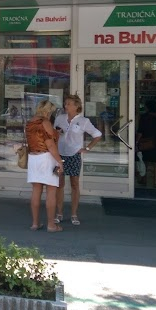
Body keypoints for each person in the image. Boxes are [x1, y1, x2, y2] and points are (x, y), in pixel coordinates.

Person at [54, 94, 102, 226]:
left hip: (74, 155)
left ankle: (74, 214)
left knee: (74, 184)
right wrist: (56, 135)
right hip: (60, 154)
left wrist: (87, 148)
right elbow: (53, 134)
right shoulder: (59, 118)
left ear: (77, 106)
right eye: (65, 103)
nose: (66, 106)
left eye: (69, 104)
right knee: (59, 184)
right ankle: (59, 213)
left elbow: (97, 135)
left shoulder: (83, 121)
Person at [26, 100, 65, 233]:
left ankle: (35, 223)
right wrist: (59, 161)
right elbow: (50, 145)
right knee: (51, 191)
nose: (51, 115)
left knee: (36, 190)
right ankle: (51, 225)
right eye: (51, 112)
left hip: (33, 158)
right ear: (48, 111)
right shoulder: (45, 122)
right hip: (46, 158)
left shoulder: (30, 122)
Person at [136, 99, 156, 188]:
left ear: (148, 108)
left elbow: (140, 131)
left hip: (145, 141)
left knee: (145, 161)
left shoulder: (144, 117)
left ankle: (144, 179)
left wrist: (137, 142)